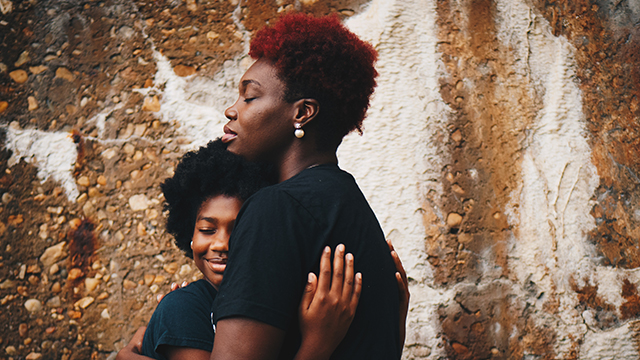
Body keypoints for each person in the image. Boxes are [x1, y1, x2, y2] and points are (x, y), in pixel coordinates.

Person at [212, 12, 404, 359]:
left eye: (249, 97)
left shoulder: (276, 209)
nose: (231, 110)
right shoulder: (352, 210)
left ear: (302, 113)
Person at [116, 140, 364, 360]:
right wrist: (317, 345)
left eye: (239, 230)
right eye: (207, 229)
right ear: (189, 236)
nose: (222, 244)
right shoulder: (184, 307)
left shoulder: (267, 305)